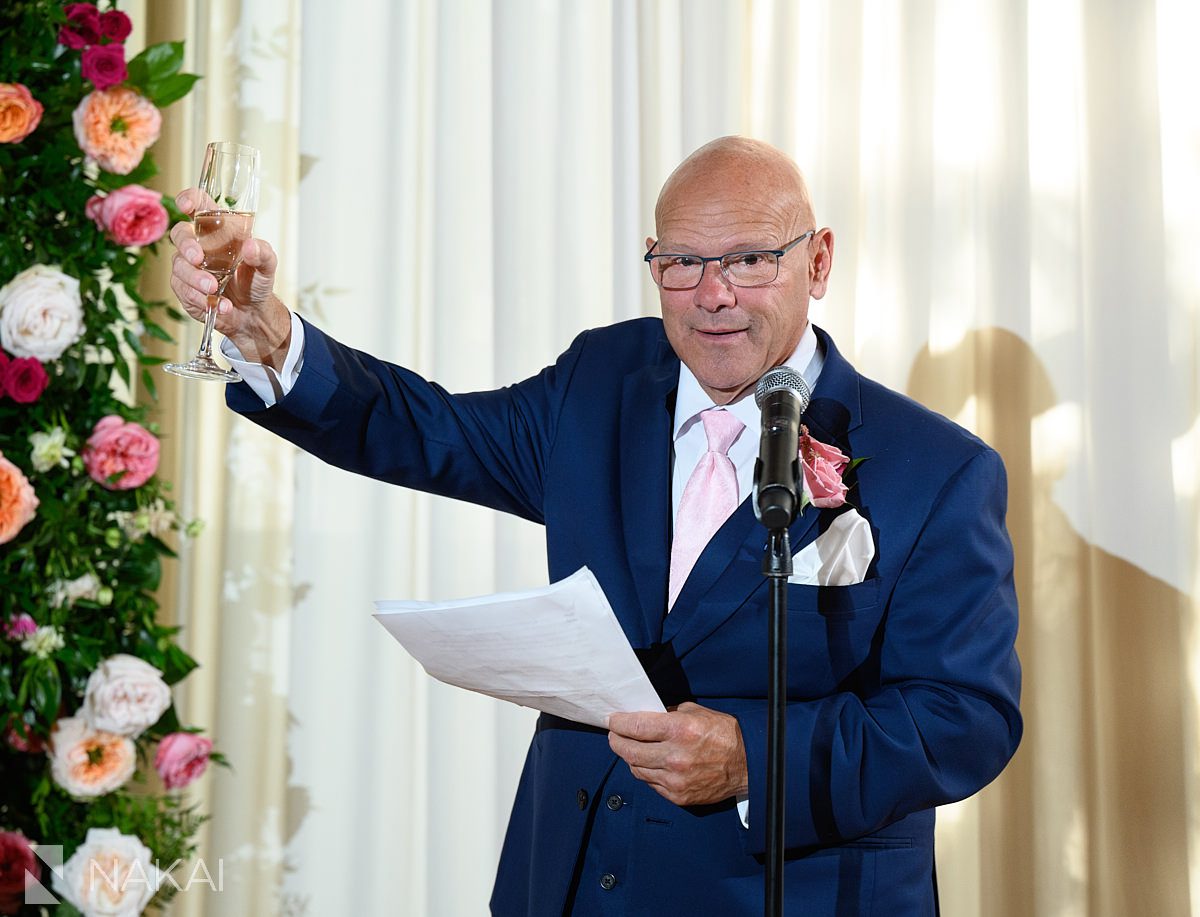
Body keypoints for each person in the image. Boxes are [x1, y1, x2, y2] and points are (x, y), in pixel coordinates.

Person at [170, 136, 1021, 916]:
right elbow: (426, 430)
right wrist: (268, 337)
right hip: (567, 881)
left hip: (787, 892)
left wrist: (755, 758)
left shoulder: (937, 470)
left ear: (819, 260)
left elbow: (966, 716)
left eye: (750, 259)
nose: (713, 294)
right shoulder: (601, 379)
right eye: (681, 262)